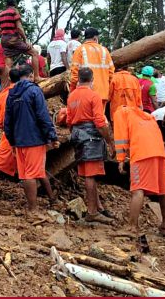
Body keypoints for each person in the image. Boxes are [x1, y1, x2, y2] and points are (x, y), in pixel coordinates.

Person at [4, 65, 59, 218]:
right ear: (31, 75)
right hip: (34, 139)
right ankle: (33, 210)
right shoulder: (34, 91)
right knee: (31, 175)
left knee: (28, 174)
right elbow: (43, 116)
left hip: (19, 140)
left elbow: (7, 121)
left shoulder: (11, 94)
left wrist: (12, 141)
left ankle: (43, 202)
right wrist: (52, 136)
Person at [66, 67, 115, 224]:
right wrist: (110, 142)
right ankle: (92, 212)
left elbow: (68, 120)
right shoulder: (94, 96)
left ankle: (97, 207)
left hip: (77, 135)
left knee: (88, 174)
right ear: (92, 79)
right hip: (91, 136)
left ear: (78, 79)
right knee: (90, 175)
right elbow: (100, 122)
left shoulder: (72, 96)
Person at [114, 105, 165, 236]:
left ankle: (131, 228)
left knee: (137, 189)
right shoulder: (147, 116)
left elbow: (121, 137)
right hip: (159, 153)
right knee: (164, 190)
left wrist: (121, 159)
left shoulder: (121, 113)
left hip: (141, 153)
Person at [0, 0, 41, 82]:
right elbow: (20, 28)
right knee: (34, 53)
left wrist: (0, 30)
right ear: (15, 4)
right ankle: (36, 77)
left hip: (4, 40)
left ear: (6, 4)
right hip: (13, 39)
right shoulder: (14, 12)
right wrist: (25, 40)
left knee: (8, 63)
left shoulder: (1, 14)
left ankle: (9, 82)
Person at [69, 27, 115, 111]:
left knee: (86, 119)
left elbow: (74, 73)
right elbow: (111, 73)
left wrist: (72, 91)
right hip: (102, 93)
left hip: (84, 94)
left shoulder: (80, 50)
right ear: (95, 38)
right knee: (99, 119)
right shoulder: (105, 51)